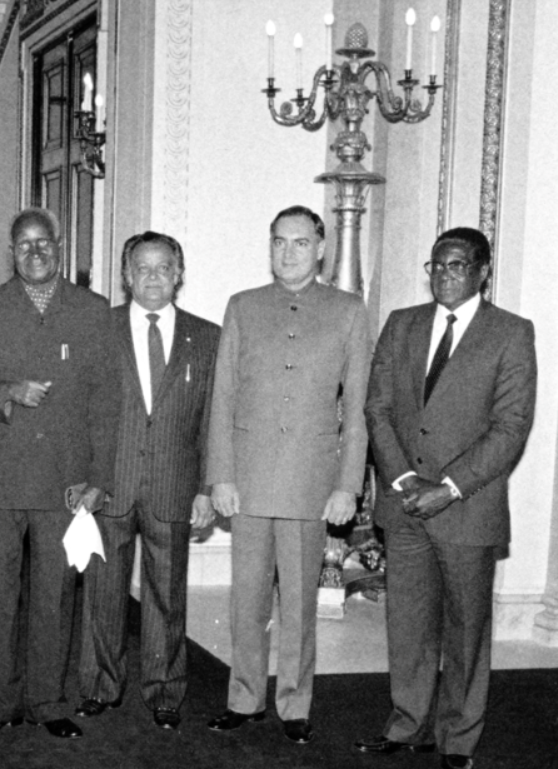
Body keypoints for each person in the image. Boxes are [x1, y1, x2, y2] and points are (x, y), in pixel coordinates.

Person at [356, 228, 536, 769]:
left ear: (483, 270)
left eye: (457, 265)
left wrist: (449, 487)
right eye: (436, 265)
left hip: (467, 507)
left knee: (465, 631)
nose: (444, 275)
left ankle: (458, 738)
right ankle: (408, 725)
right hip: (404, 503)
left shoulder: (510, 332)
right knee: (407, 624)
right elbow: (377, 408)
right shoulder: (402, 323)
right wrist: (403, 479)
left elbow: (510, 427)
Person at [205, 205, 372, 744]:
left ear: (321, 248)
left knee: (299, 605)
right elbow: (223, 397)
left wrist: (347, 484)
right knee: (246, 600)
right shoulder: (244, 307)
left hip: (310, 482)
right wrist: (221, 476)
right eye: (279, 242)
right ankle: (244, 697)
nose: (288, 252)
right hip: (248, 481)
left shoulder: (348, 311)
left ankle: (295, 705)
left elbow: (360, 406)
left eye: (300, 243)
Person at [0, 208, 118, 740]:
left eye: (43, 242)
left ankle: (49, 702)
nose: (35, 252)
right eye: (23, 244)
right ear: (11, 251)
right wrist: (5, 393)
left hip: (65, 483)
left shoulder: (93, 311)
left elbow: (104, 402)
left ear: (59, 245)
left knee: (55, 595)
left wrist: (98, 477)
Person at [76, 231, 219, 731]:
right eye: (142, 268)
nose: (153, 277)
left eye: (163, 268)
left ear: (179, 274)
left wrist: (207, 486)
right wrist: (81, 480)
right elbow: (82, 410)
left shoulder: (207, 337)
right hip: (108, 484)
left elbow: (212, 421)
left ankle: (164, 692)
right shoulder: (101, 329)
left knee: (166, 596)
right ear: (126, 275)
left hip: (174, 486)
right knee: (102, 593)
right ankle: (99, 685)